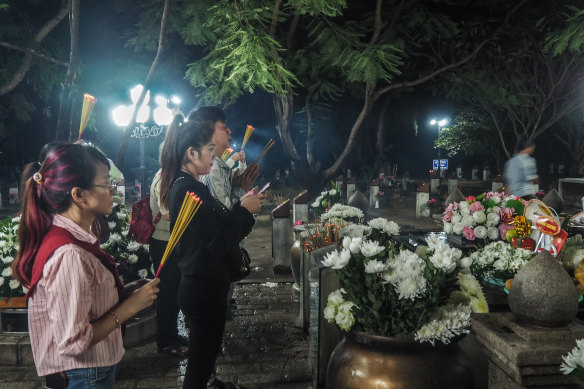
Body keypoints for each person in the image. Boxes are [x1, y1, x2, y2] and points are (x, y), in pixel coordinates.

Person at [12, 143, 160, 388]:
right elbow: (73, 342)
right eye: (105, 183)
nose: (113, 190)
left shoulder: (74, 237)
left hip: (88, 371)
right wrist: (130, 307)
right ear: (78, 195)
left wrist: (124, 294)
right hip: (83, 375)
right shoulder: (69, 254)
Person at [160, 114, 263, 389]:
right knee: (198, 368)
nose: (212, 155)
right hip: (202, 288)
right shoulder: (187, 189)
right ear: (191, 153)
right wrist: (244, 211)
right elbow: (217, 243)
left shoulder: (187, 185)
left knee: (202, 362)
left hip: (203, 286)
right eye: (208, 150)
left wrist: (241, 204)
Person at [149, 143, 187, 357]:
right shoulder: (164, 177)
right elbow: (167, 213)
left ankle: (172, 334)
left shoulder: (169, 175)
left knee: (173, 293)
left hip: (170, 241)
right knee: (167, 294)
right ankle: (165, 342)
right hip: (164, 242)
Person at [191, 106, 260, 209]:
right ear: (208, 134)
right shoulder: (210, 168)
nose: (229, 131)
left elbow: (236, 178)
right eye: (223, 128)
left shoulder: (217, 164)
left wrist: (239, 182)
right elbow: (225, 213)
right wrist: (241, 190)